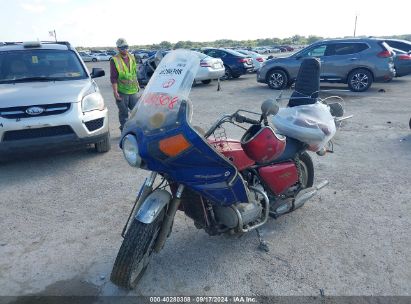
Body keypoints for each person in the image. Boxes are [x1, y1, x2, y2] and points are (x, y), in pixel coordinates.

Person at [110, 38, 140, 131]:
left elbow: (134, 73)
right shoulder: (114, 60)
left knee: (136, 112)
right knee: (124, 113)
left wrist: (137, 84)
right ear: (118, 48)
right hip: (121, 91)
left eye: (126, 47)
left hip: (133, 90)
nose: (125, 49)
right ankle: (124, 130)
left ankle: (135, 129)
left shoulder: (132, 57)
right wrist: (115, 92)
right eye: (122, 48)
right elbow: (113, 77)